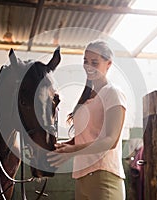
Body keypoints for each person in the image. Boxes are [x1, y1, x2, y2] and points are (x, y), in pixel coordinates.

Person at [47, 40, 127, 200]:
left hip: (104, 176)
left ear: (108, 64)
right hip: (81, 177)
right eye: (86, 61)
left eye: (95, 62)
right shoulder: (86, 97)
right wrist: (65, 146)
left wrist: (72, 151)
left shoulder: (113, 93)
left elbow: (111, 141)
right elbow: (87, 135)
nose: (88, 66)